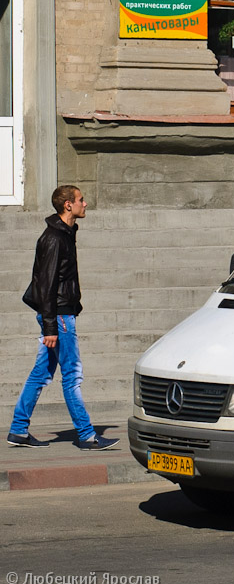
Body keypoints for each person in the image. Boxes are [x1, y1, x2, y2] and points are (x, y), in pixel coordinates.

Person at [8, 185, 119, 450]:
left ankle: (18, 430)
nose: (86, 203)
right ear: (68, 205)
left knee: (41, 373)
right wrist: (50, 327)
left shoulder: (65, 234)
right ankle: (87, 435)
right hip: (59, 317)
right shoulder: (54, 238)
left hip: (59, 315)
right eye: (81, 200)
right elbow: (45, 286)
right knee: (72, 375)